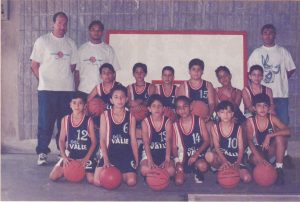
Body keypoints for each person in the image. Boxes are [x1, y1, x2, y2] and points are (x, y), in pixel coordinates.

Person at [30, 12, 78, 165]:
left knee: (64, 122)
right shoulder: (42, 41)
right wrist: (44, 80)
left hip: (66, 90)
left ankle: (62, 152)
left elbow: (73, 66)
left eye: (65, 23)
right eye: (59, 23)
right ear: (53, 24)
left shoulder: (71, 43)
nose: (62, 26)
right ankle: (42, 152)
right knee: (45, 121)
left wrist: (62, 79)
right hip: (47, 90)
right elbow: (34, 65)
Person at [248, 24, 296, 168]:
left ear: (275, 35)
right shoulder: (257, 53)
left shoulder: (283, 52)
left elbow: (290, 70)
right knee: (264, 125)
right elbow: (250, 72)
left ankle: (283, 154)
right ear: (261, 35)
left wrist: (277, 81)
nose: (268, 35)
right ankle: (265, 152)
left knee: (281, 124)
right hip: (263, 97)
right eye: (265, 33)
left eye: (271, 33)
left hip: (280, 94)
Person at [94, 85, 138, 187]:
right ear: (111, 100)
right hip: (109, 153)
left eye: (122, 97)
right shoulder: (104, 115)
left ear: (127, 99)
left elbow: (133, 139)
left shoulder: (131, 116)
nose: (119, 100)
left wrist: (136, 157)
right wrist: (106, 159)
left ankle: (118, 174)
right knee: (98, 182)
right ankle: (117, 173)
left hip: (126, 154)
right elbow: (103, 139)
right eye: (116, 97)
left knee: (132, 182)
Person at [49, 92, 97, 183]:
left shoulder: (89, 121)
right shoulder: (65, 120)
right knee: (53, 176)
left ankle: (89, 167)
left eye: (80, 103)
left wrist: (86, 158)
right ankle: (71, 170)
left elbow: (94, 142)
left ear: (85, 106)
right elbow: (62, 140)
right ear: (70, 105)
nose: (77, 105)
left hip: (85, 156)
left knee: (91, 180)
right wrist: (64, 156)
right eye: (74, 103)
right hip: (71, 156)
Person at [246, 93, 290, 185]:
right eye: (259, 106)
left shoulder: (272, 118)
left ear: (269, 108)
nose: (262, 109)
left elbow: (288, 131)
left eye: (265, 106)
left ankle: (279, 168)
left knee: (280, 137)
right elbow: (249, 141)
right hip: (257, 151)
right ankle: (259, 166)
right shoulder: (250, 121)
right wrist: (258, 157)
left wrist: (269, 136)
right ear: (254, 108)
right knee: (255, 159)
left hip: (270, 150)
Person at [205, 101, 252, 184]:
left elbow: (241, 148)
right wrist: (224, 161)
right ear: (218, 114)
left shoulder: (238, 128)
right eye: (222, 112)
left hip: (235, 157)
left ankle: (233, 172)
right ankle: (221, 169)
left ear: (232, 114)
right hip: (223, 157)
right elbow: (216, 147)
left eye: (228, 112)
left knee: (247, 178)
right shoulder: (215, 127)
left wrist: (238, 162)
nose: (225, 115)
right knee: (209, 156)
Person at [76, 20, 120, 97]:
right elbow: (77, 72)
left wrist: (111, 89)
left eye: (98, 30)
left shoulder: (108, 49)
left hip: (102, 91)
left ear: (102, 32)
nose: (96, 32)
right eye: (93, 30)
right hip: (83, 90)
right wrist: (76, 89)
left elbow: (113, 72)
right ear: (89, 31)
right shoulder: (81, 49)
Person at [173, 96, 210, 184]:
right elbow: (174, 147)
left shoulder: (199, 120)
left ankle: (197, 170)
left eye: (185, 106)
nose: (182, 109)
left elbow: (207, 140)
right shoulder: (174, 125)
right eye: (179, 108)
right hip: (183, 156)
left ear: (190, 107)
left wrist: (197, 153)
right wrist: (177, 161)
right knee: (179, 182)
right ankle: (181, 171)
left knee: (203, 166)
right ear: (176, 111)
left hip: (197, 155)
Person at [140, 94, 175, 178]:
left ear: (163, 108)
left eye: (159, 106)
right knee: (144, 170)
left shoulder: (168, 122)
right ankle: (159, 174)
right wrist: (150, 160)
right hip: (150, 153)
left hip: (164, 152)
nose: (157, 108)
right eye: (154, 106)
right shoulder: (145, 122)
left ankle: (155, 175)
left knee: (171, 171)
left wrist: (167, 159)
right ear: (149, 109)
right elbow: (145, 143)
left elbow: (168, 141)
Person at [127, 63, 156, 139]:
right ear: (133, 74)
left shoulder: (151, 87)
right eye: (137, 72)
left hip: (147, 116)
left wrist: (140, 103)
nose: (139, 74)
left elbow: (152, 102)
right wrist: (132, 105)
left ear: (145, 73)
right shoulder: (129, 88)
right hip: (134, 116)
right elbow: (127, 103)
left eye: (141, 72)